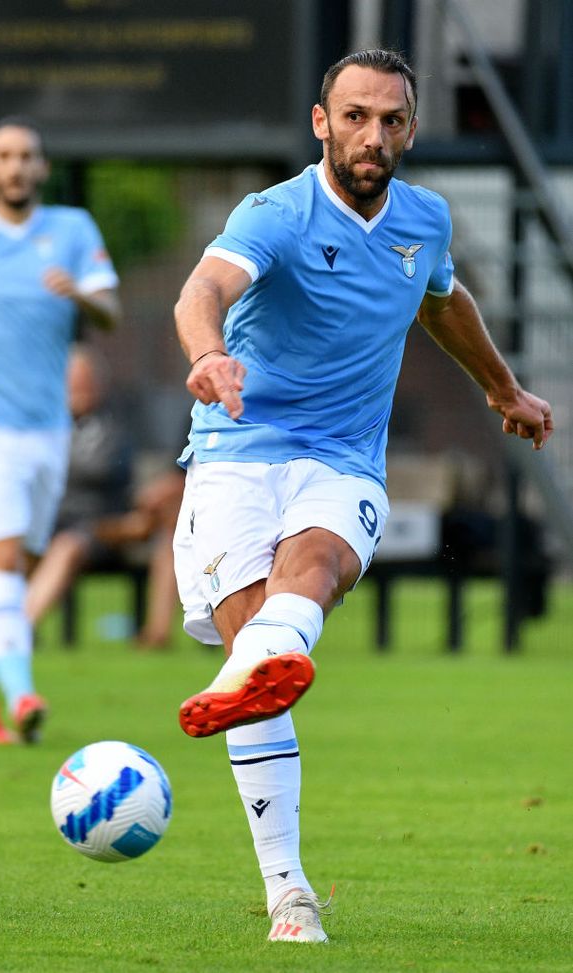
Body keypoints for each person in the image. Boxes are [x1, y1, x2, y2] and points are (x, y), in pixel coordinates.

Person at [171, 50, 554, 943]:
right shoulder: (275, 213)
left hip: (342, 461)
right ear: (321, 122)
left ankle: (292, 897)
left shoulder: (425, 217)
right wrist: (206, 354)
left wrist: (502, 389)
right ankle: (285, 882)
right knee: (260, 671)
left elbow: (441, 300)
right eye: (354, 117)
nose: (371, 135)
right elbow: (203, 290)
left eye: (389, 119)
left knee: (314, 566)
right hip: (232, 453)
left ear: (410, 129)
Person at [0, 117, 120, 744]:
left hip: (48, 430)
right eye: (3, 156)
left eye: (26, 156)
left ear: (41, 168)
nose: (15, 166)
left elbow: (111, 313)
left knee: (16, 568)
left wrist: (80, 298)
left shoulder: (71, 230)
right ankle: (23, 693)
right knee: (3, 561)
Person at [26, 344, 184, 649]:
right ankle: (5, 624)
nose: (80, 390)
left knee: (68, 545)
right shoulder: (50, 425)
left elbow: (97, 468)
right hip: (58, 525)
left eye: (85, 382)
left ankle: (21, 627)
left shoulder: (114, 423)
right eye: (73, 383)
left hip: (103, 527)